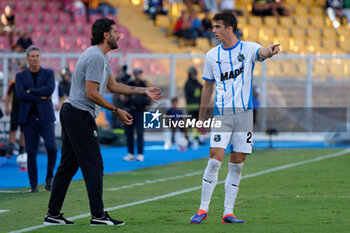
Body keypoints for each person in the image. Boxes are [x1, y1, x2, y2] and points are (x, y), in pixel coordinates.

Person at [44, 18, 162, 226]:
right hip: (78, 113)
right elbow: (91, 93)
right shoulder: (96, 57)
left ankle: (52, 214)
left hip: (74, 112)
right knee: (94, 164)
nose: (119, 35)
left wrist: (144, 90)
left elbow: (113, 86)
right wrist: (116, 110)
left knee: (68, 166)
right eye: (115, 31)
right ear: (105, 35)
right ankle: (98, 215)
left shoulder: (102, 57)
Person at [190, 12, 280, 224]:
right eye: (213, 27)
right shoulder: (212, 55)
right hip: (223, 114)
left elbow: (262, 52)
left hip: (244, 115)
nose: (214, 31)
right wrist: (201, 117)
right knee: (214, 158)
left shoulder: (248, 49)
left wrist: (270, 51)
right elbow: (208, 86)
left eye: (218, 27)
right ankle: (202, 209)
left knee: (237, 163)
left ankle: (228, 213)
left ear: (230, 28)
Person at [15, 46, 58, 193]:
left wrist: (32, 92)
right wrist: (42, 97)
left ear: (40, 57)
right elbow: (21, 95)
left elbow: (50, 90)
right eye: (32, 56)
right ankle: (33, 184)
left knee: (52, 148)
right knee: (31, 152)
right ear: (27, 58)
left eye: (37, 56)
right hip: (29, 118)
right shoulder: (20, 76)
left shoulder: (48, 73)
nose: (34, 58)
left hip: (46, 116)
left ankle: (49, 178)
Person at [123, 68, 151, 162]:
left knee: (140, 133)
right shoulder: (130, 83)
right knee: (129, 134)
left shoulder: (144, 84)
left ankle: (140, 154)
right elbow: (124, 94)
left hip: (140, 111)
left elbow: (150, 90)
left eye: (139, 73)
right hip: (130, 110)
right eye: (136, 73)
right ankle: (130, 154)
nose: (137, 75)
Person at [4, 76, 25, 158]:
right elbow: (7, 95)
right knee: (13, 129)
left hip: (24, 111)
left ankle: (22, 150)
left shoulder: (28, 82)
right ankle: (10, 149)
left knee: (23, 131)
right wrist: (6, 107)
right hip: (15, 111)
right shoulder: (13, 82)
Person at [184, 66, 203, 146]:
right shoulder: (188, 84)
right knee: (190, 124)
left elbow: (202, 89)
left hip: (198, 107)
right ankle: (188, 139)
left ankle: (196, 138)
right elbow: (196, 93)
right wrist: (198, 90)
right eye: (192, 73)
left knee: (197, 124)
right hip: (191, 107)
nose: (193, 75)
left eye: (194, 73)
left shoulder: (197, 83)